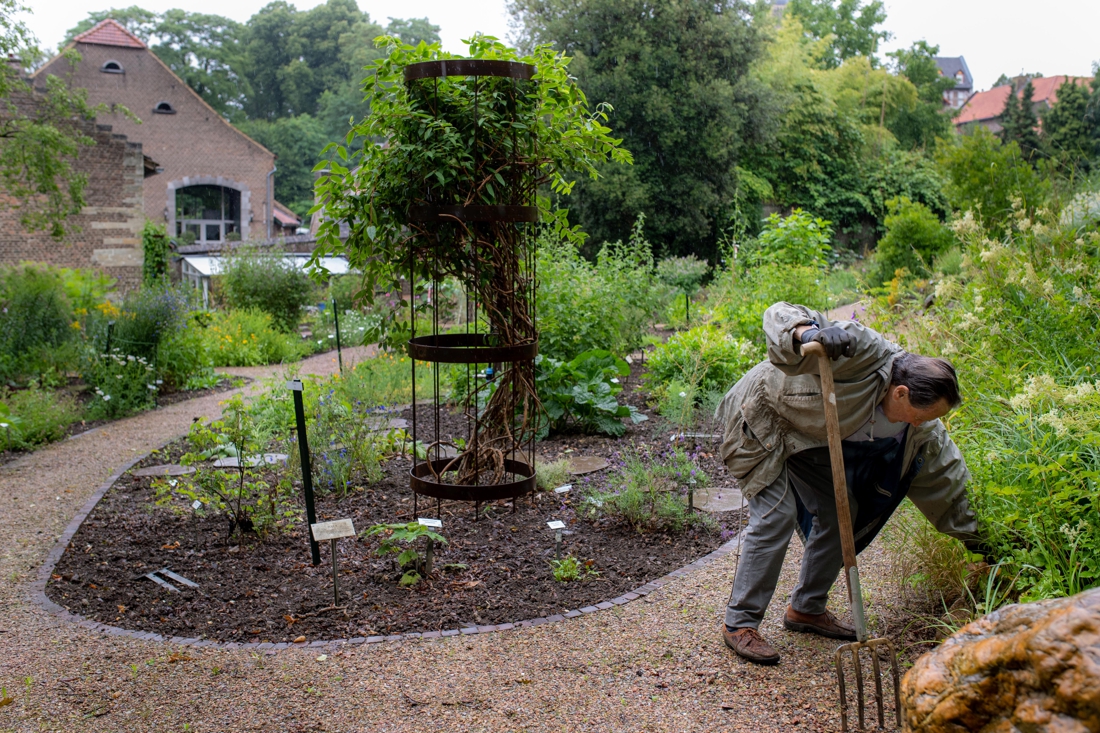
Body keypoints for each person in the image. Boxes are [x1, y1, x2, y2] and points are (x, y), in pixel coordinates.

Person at [715, 301, 982, 665]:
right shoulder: (866, 352)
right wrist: (806, 333)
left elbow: (949, 487)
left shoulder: (924, 431)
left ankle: (806, 609)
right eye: (922, 416)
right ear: (901, 393)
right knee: (776, 515)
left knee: (842, 511)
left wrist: (987, 541)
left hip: (807, 438)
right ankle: (740, 623)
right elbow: (780, 312)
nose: (923, 424)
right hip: (760, 420)